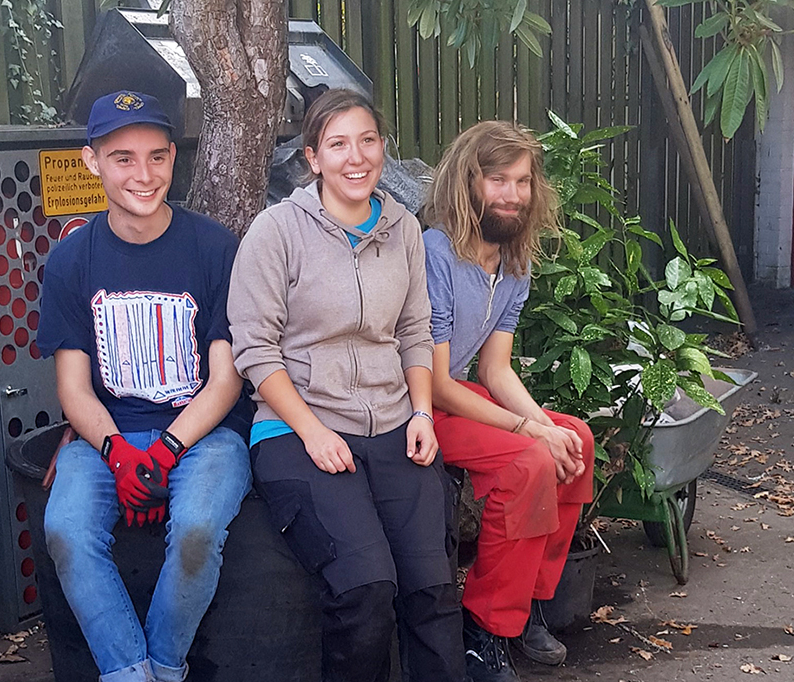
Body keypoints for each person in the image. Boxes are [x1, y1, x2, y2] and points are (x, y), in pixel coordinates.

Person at [227, 88, 464, 682]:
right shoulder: (276, 231)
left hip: (392, 423)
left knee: (433, 590)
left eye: (367, 141)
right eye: (337, 145)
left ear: (382, 147)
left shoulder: (404, 228)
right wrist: (311, 431)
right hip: (296, 428)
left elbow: (413, 331)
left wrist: (422, 415)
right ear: (312, 158)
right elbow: (255, 348)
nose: (355, 157)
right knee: (366, 590)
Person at [37, 91, 252, 682]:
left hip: (202, 434)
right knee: (66, 530)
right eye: (124, 158)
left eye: (157, 156)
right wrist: (116, 451)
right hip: (106, 434)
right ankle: (130, 672)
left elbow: (227, 375)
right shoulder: (72, 261)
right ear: (92, 162)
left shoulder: (214, 248)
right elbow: (74, 387)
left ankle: (162, 663)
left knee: (197, 530)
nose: (144, 173)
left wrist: (167, 449)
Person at [422, 120, 596, 682]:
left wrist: (546, 425)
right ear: (469, 182)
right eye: (498, 179)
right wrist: (529, 434)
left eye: (521, 181)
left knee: (576, 440)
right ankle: (486, 626)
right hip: (417, 403)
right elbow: (441, 381)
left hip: (461, 396)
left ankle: (529, 604)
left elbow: (496, 370)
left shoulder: (512, 263)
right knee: (528, 463)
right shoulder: (437, 253)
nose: (512, 194)